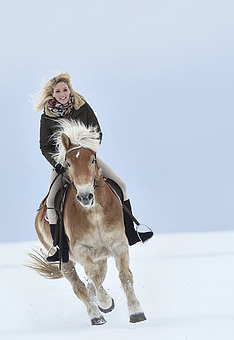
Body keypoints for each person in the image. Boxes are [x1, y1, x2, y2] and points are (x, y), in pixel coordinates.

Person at [35, 73, 153, 263]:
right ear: (52, 94)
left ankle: (131, 233)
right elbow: (44, 146)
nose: (62, 93)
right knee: (50, 201)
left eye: (65, 89)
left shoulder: (82, 107)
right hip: (62, 164)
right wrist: (57, 163)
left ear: (69, 90)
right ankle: (60, 249)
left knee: (121, 185)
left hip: (88, 159)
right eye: (58, 91)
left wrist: (89, 151)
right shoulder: (46, 118)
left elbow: (97, 131)